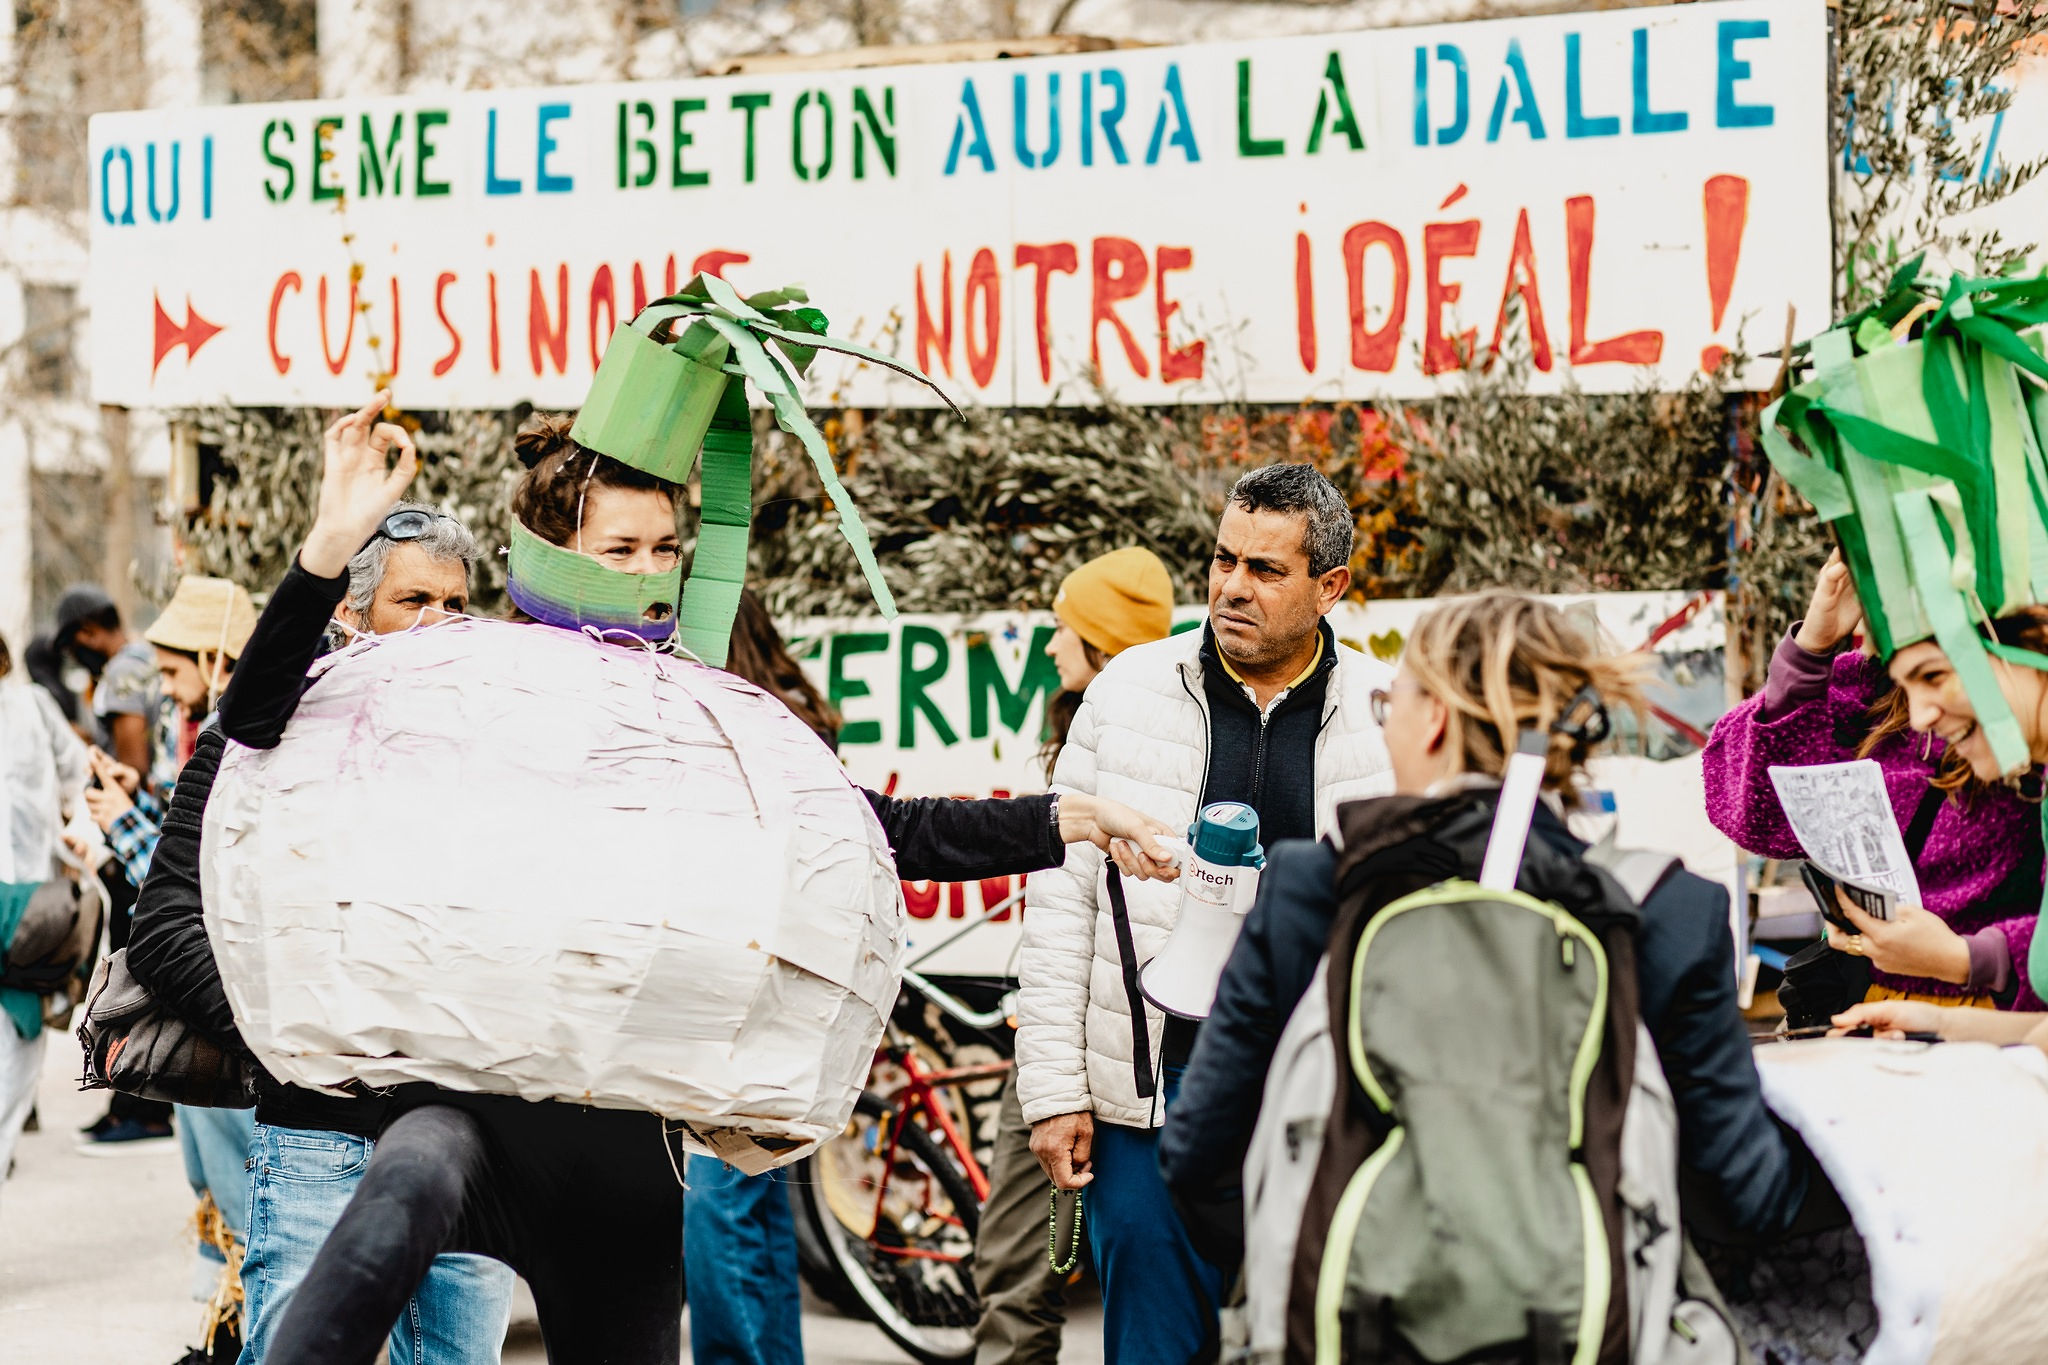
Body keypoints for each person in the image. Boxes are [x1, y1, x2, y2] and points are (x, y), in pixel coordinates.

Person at [180, 399, 1177, 1365]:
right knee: (388, 1221)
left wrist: (1064, 818)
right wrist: (329, 544)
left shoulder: (700, 713)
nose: (651, 574)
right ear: (552, 553)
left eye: (666, 549)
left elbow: (876, 826)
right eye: (620, 550)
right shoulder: (461, 679)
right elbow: (256, 718)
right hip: (459, 1107)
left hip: (620, 1142)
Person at [1160, 593, 1838, 1276]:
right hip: (1583, 1316)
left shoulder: (1312, 892)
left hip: (1352, 1310)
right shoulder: (1667, 910)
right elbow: (1747, 1194)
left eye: (1390, 708)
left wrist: (1314, 1271)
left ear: (1435, 719)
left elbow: (1198, 1153)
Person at [124, 452, 517, 1363]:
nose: (438, 624)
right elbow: (165, 928)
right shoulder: (261, 739)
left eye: (455, 604)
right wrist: (295, 1039)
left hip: (469, 1136)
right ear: (351, 613)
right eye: (413, 601)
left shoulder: (494, 751)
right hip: (317, 1133)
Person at [1015, 463, 1393, 1365]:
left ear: (1330, 587)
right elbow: (1062, 897)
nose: (1232, 586)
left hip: (1324, 1092)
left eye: (1265, 569)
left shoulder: (1385, 712)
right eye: (1224, 559)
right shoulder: (1127, 691)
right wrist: (1055, 1091)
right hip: (1154, 1092)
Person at [976, 547, 1175, 1365]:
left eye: (1067, 628)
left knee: (1025, 1269)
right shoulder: (1088, 732)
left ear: (1104, 644)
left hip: (1113, 1054)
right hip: (1078, 1043)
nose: (1053, 645)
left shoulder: (1148, 749)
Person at [1703, 551, 2043, 1008]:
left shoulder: (2021, 712)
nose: (1923, 715)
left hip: (2007, 1013)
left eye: (1934, 676)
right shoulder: (1871, 694)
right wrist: (1811, 647)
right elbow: (1756, 813)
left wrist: (1969, 959)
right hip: (1878, 1005)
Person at [0, 630, 88, 1203]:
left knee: (18, 1045)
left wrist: (81, 827)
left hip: (28, 907)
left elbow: (79, 775)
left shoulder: (32, 707)